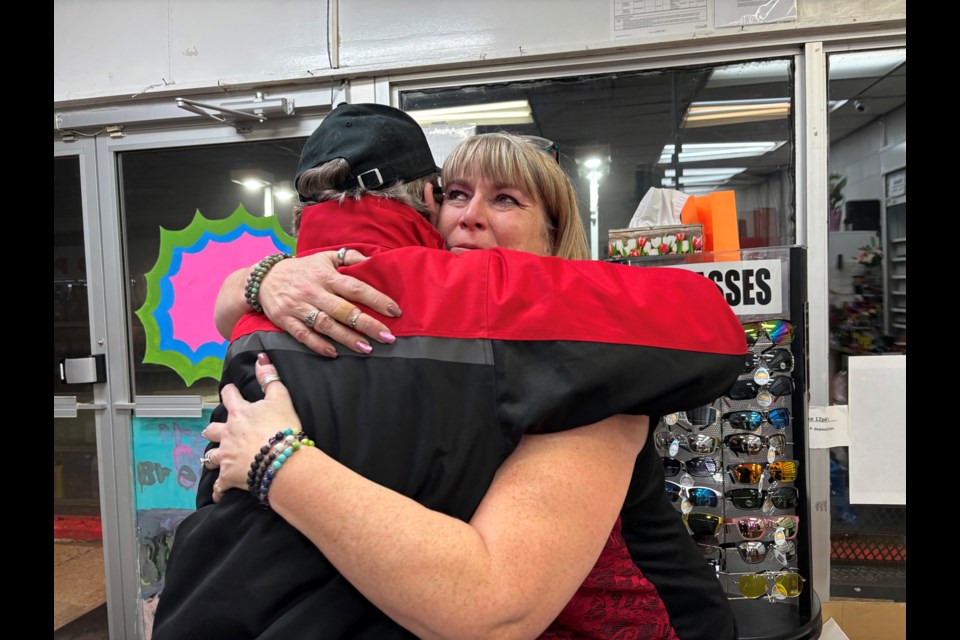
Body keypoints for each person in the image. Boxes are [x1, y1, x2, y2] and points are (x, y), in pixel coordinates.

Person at [152, 105, 745, 640]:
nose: (471, 218)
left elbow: (491, 608)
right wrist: (263, 279)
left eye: (507, 200)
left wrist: (274, 459)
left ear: (556, 234)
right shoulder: (424, 346)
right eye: (455, 195)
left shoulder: (594, 363)